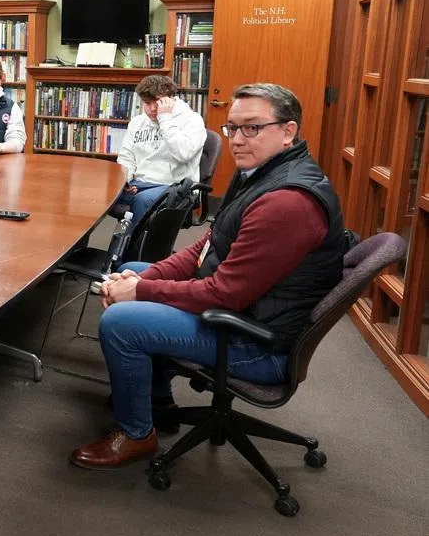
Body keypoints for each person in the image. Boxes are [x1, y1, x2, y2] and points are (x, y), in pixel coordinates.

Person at [70, 83, 351, 469]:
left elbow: (224, 294)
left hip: (256, 342)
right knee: (132, 270)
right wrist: (142, 281)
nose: (237, 139)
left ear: (288, 131)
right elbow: (206, 245)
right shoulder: (260, 173)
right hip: (245, 310)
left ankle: (136, 434)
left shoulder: (287, 202)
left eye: (252, 128)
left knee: (121, 322)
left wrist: (141, 292)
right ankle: (157, 400)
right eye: (232, 128)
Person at [115, 74, 206, 223]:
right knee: (102, 194)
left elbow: (183, 153)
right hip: (139, 184)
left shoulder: (192, 120)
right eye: (147, 103)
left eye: (157, 103)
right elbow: (126, 158)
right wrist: (125, 181)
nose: (152, 109)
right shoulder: (137, 123)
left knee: (142, 201)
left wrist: (165, 118)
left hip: (174, 186)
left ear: (170, 100)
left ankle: (132, 238)